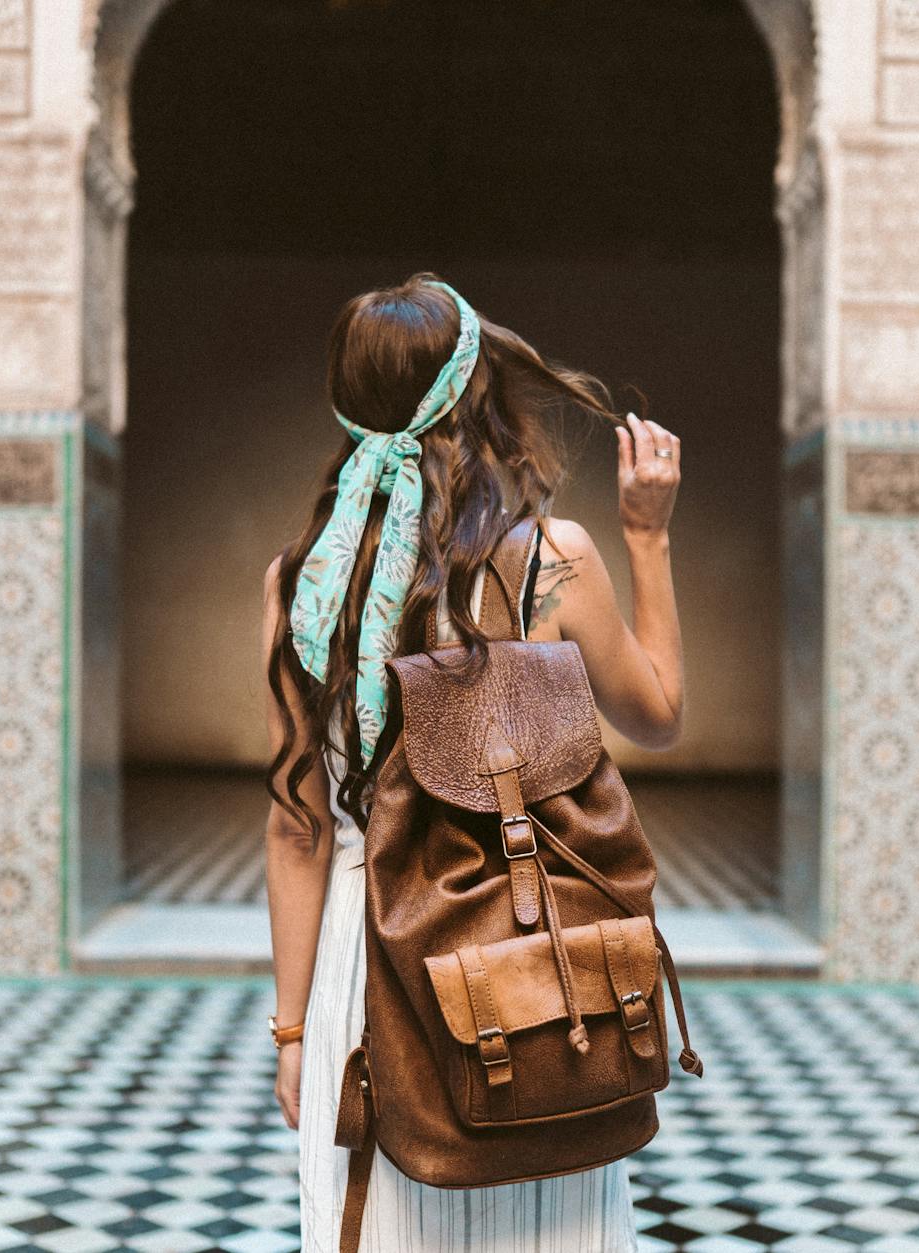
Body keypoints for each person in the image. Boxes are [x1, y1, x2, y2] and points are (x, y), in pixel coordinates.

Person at [258, 272, 685, 1252]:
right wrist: (649, 536)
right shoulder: (552, 560)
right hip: (534, 974)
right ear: (475, 402)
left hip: (366, 965)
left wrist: (291, 1034)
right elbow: (657, 714)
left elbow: (298, 823)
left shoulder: (300, 585)